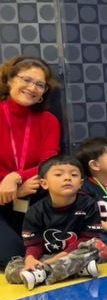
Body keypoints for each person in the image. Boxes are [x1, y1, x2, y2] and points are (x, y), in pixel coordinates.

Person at [4, 156, 107, 290]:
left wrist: (62, 256)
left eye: (74, 174)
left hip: (74, 253)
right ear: (44, 183)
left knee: (98, 247)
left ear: (81, 183)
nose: (67, 178)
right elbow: (35, 243)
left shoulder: (88, 204)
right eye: (59, 174)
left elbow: (88, 238)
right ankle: (76, 270)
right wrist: (30, 259)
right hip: (48, 256)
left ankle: (42, 274)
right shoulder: (35, 211)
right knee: (13, 266)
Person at [0, 55, 62, 266]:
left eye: (39, 84)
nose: (32, 88)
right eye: (26, 80)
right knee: (12, 256)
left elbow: (49, 163)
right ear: (9, 80)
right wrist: (12, 188)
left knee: (56, 247)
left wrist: (17, 177)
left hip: (31, 196)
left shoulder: (49, 121)